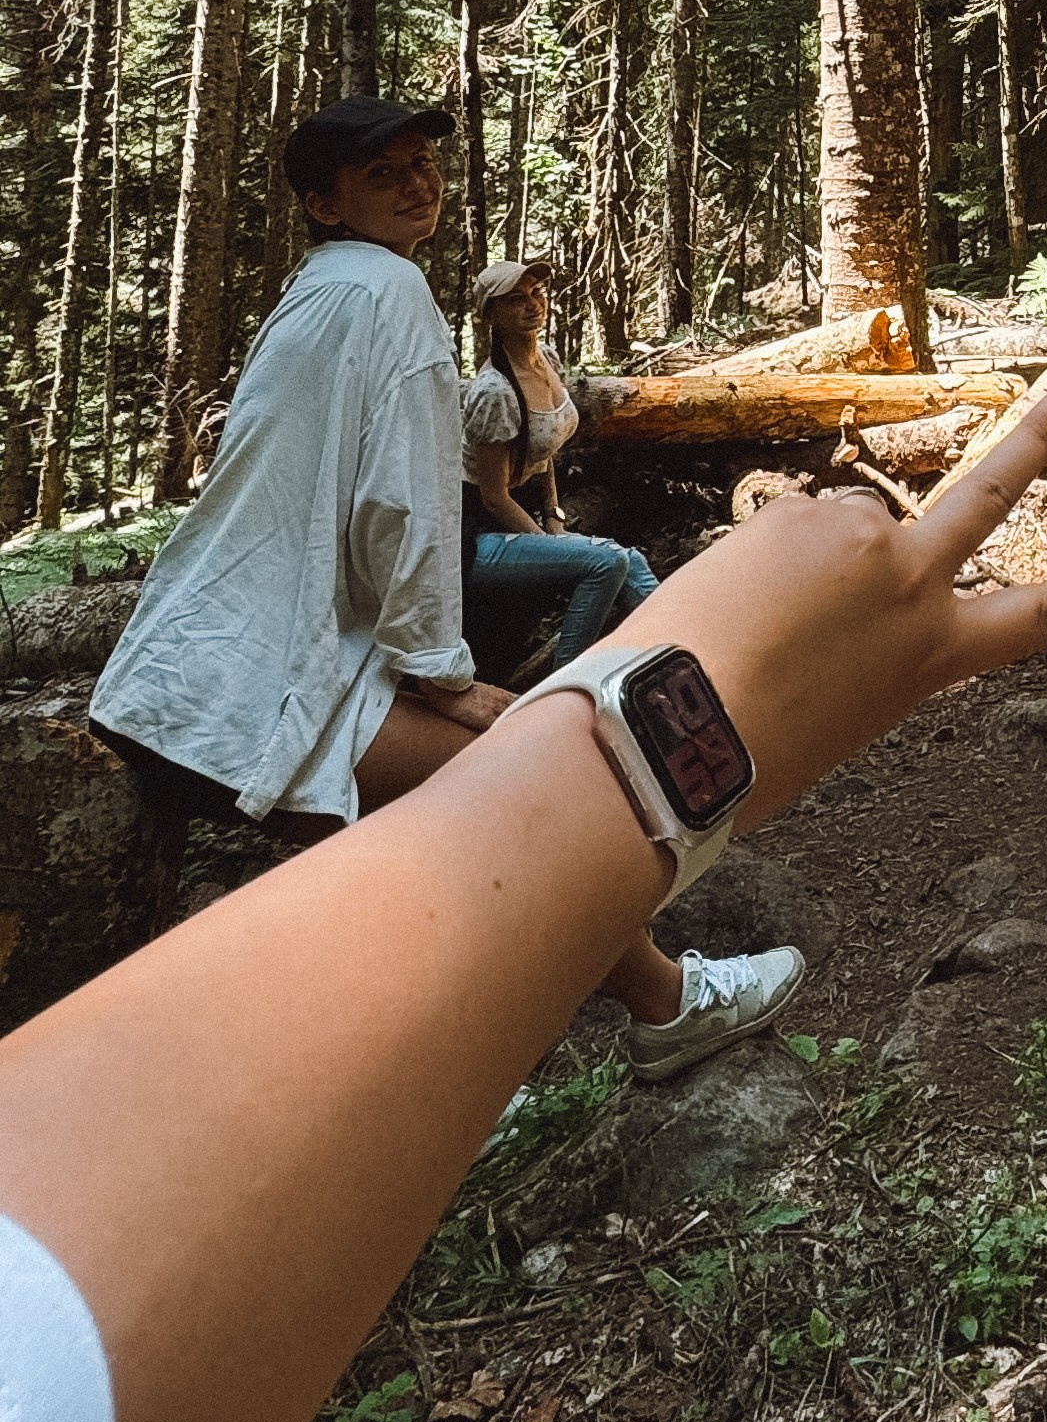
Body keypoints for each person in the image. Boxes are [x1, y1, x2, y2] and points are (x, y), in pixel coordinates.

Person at [0, 370, 1047, 1422]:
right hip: (318, 686)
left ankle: (561, 1044)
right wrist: (665, 711)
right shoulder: (388, 319)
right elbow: (39, 1349)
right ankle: (641, 1017)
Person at [89, 95, 801, 1076]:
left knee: (463, 821)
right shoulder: (390, 295)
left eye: (423, 162)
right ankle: (666, 1008)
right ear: (322, 202)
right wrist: (437, 672)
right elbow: (404, 504)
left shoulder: (324, 288)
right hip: (247, 689)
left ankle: (481, 1051)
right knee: (531, 791)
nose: (418, 181)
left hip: (186, 676)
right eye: (384, 172)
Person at [460, 257, 659, 676]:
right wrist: (553, 546)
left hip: (523, 514)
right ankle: (566, 683)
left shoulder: (546, 358)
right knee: (605, 561)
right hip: (474, 537)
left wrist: (553, 516)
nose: (532, 304)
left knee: (632, 559)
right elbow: (492, 497)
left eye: (537, 293)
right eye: (516, 299)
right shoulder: (494, 391)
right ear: (491, 316)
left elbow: (543, 450)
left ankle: (678, 646)